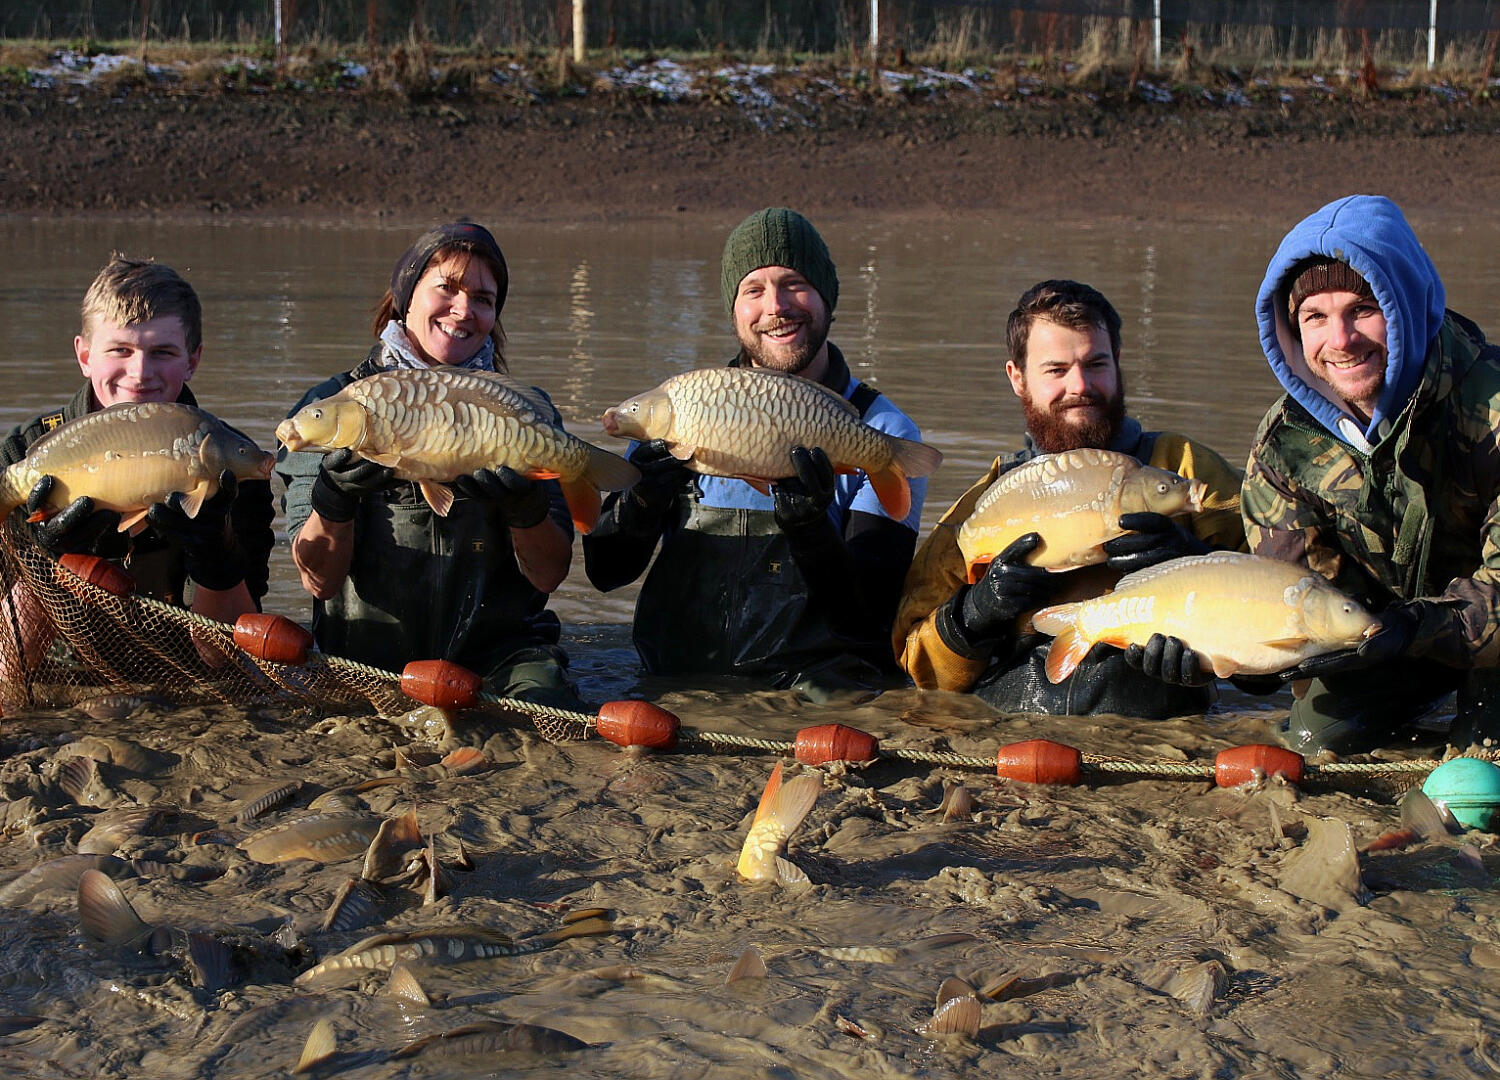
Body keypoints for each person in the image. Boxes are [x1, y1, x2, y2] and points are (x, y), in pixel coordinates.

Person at [582, 207, 928, 701]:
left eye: (794, 283)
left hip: (805, 694)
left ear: (827, 297)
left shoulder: (882, 431)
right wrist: (643, 501)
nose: (776, 306)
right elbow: (604, 573)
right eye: (754, 290)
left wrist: (812, 531)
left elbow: (870, 617)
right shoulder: (679, 410)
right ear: (734, 309)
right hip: (672, 684)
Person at [893, 279, 1245, 719]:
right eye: (1056, 370)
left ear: (1117, 364)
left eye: (1095, 363)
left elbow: (1282, 612)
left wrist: (1193, 564)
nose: (1080, 385)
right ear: (1017, 378)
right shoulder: (986, 502)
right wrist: (976, 613)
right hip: (1016, 726)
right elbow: (917, 667)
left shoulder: (1186, 469)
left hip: (1158, 722)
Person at [276, 221, 583, 709]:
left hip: (498, 658)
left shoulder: (524, 410)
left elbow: (548, 576)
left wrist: (525, 508)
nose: (464, 310)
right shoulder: (329, 406)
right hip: (366, 657)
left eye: (483, 299)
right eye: (447, 288)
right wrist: (333, 501)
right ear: (407, 297)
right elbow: (318, 581)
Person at [1239, 193, 1500, 754]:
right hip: (1384, 640)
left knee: (1479, 778)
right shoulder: (1284, 445)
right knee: (1313, 741)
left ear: (1404, 306)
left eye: (1362, 309)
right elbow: (1291, 596)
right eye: (1315, 317)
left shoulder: (1493, 409)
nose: (1341, 341)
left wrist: (1412, 626)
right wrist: (1241, 661)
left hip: (1466, 633)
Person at [1, 255, 275, 628]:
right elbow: (6, 667)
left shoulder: (230, 463)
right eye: (120, 350)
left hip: (184, 678)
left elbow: (226, 660)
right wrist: (47, 560)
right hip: (60, 679)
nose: (140, 374)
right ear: (84, 356)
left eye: (162, 352)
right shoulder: (22, 456)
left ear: (193, 360)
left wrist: (215, 554)